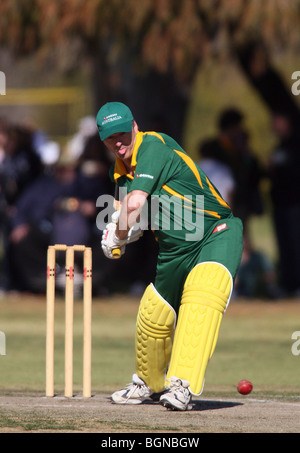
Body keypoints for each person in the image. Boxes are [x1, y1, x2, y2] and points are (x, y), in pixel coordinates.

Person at [97, 102, 243, 411]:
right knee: (154, 314)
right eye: (111, 139)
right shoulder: (121, 173)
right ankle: (147, 383)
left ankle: (182, 386)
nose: (119, 143)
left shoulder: (154, 145)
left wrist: (116, 235)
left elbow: (135, 205)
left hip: (215, 232)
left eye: (123, 134)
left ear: (134, 126)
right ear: (103, 140)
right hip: (175, 249)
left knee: (203, 295)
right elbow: (135, 215)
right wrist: (123, 231)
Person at [268, 110, 300, 296]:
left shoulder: (295, 146)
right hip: (281, 204)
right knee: (285, 245)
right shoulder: (279, 146)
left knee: (296, 245)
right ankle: (289, 284)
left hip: (294, 204)